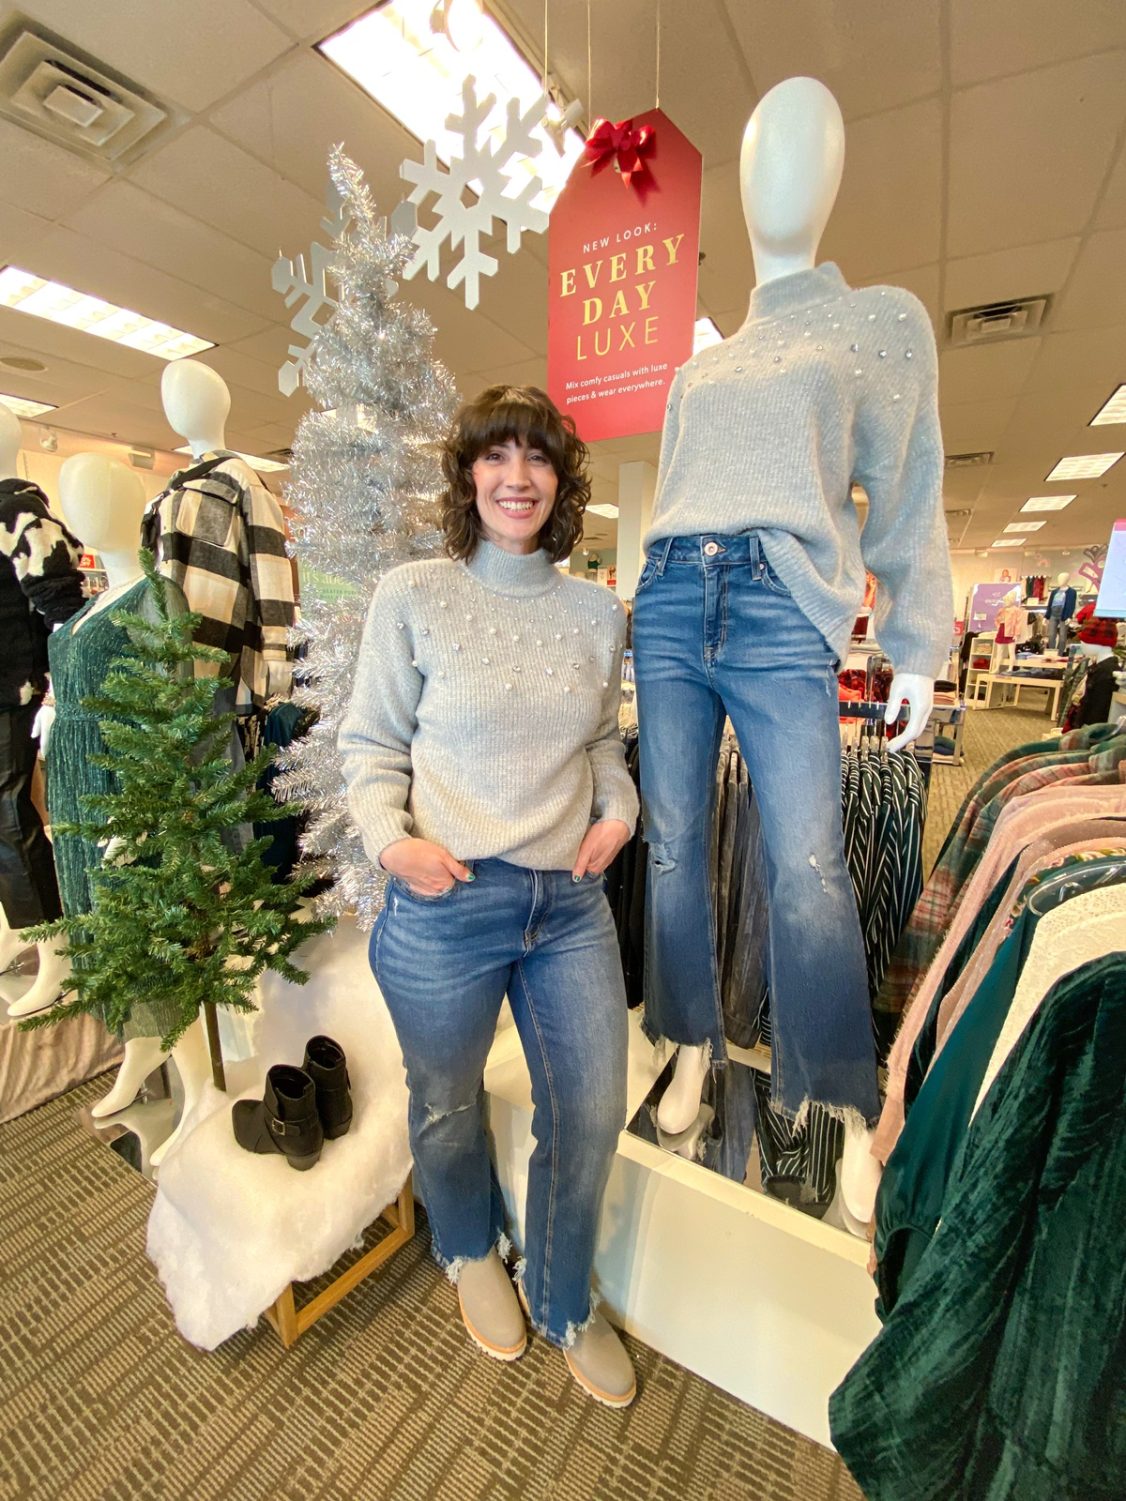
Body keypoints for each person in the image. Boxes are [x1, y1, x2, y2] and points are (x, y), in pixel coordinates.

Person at [340, 386, 639, 1407]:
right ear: (469, 475)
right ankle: (468, 1243)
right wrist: (392, 842)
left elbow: (600, 740)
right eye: (497, 456)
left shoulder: (597, 613)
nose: (518, 477)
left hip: (568, 903)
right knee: (447, 1099)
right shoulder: (413, 595)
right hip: (446, 901)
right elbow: (370, 742)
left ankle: (562, 1295)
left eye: (538, 458)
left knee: (590, 1109)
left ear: (561, 481)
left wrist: (618, 807)